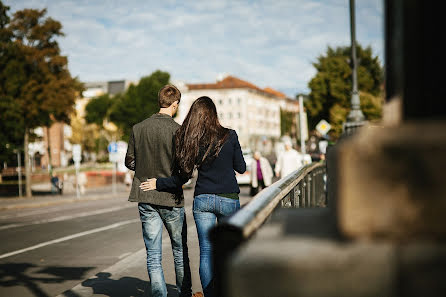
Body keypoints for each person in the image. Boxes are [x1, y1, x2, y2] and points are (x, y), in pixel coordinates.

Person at [140, 96, 246, 297]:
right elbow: (241, 168)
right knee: (229, 251)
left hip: (203, 199)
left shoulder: (192, 139)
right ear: (214, 113)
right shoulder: (230, 135)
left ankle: (209, 294)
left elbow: (183, 177)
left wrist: (158, 183)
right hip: (228, 198)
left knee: (206, 251)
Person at [125, 85, 192, 297]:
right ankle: (183, 293)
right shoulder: (179, 131)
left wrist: (144, 168)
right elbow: (185, 171)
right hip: (170, 197)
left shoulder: (138, 128)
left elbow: (129, 161)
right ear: (175, 104)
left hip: (145, 195)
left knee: (153, 254)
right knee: (179, 250)